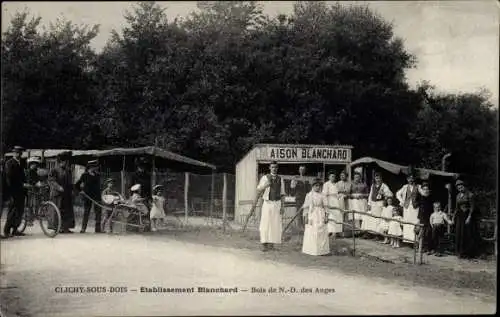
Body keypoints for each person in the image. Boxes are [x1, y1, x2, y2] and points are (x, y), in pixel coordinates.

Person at [256, 161, 286, 252]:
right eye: (272, 167)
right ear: (269, 168)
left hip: (277, 203)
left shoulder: (280, 179)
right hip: (267, 203)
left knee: (275, 224)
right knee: (265, 223)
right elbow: (258, 189)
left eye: (276, 167)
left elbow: (282, 194)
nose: (274, 169)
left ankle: (271, 244)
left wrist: (282, 207)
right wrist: (265, 185)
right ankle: (264, 244)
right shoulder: (265, 177)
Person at [2, 146, 28, 238]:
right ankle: (6, 230)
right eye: (17, 152)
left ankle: (15, 229)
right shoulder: (9, 163)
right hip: (13, 191)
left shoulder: (21, 162)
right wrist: (21, 184)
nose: (19, 154)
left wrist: (25, 183)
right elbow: (9, 178)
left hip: (21, 191)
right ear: (14, 153)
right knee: (12, 211)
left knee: (20, 211)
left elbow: (23, 176)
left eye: (20, 153)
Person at [301, 178, 330, 256]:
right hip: (312, 214)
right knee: (312, 231)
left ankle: (321, 250)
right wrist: (306, 216)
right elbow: (306, 207)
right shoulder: (309, 195)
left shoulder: (323, 195)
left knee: (321, 231)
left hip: (320, 214)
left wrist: (327, 216)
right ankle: (311, 250)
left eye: (319, 186)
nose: (317, 187)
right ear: (313, 186)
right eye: (316, 186)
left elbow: (326, 207)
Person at [48, 151, 75, 233]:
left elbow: (70, 182)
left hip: (66, 194)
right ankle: (56, 228)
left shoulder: (68, 170)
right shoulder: (54, 170)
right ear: (60, 162)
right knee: (57, 211)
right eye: (63, 162)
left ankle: (66, 227)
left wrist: (73, 190)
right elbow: (51, 180)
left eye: (66, 162)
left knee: (67, 210)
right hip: (57, 194)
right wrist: (58, 187)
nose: (65, 163)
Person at [454, 179, 479, 259]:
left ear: (464, 186)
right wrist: (453, 217)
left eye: (461, 186)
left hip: (467, 215)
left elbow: (472, 207)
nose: (460, 188)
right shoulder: (457, 196)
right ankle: (460, 252)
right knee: (459, 233)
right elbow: (456, 208)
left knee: (467, 234)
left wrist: (469, 217)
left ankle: (468, 253)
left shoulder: (470, 195)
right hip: (459, 216)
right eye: (458, 187)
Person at [75, 160, 102, 233]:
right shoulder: (85, 175)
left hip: (97, 197)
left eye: (96, 167)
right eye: (95, 167)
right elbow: (77, 185)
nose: (96, 168)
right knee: (86, 212)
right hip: (87, 196)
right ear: (91, 167)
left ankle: (98, 229)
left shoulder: (98, 175)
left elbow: (99, 186)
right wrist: (81, 191)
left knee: (98, 213)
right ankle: (83, 228)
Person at [364, 172, 393, 238]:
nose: (377, 179)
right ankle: (372, 233)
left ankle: (378, 234)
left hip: (380, 204)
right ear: (374, 178)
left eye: (378, 178)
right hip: (373, 203)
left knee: (378, 219)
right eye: (376, 178)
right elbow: (370, 195)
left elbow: (390, 194)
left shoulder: (383, 185)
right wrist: (369, 204)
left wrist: (383, 193)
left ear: (381, 178)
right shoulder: (373, 185)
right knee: (372, 218)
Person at [396, 168, 421, 243]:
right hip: (407, 207)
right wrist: (402, 201)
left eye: (412, 178)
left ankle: (414, 241)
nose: (411, 180)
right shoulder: (405, 187)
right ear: (407, 179)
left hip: (415, 207)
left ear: (414, 179)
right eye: (409, 178)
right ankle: (407, 240)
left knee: (415, 222)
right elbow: (397, 194)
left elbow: (423, 193)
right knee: (407, 222)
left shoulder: (418, 186)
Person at [290, 165, 311, 230]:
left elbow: (309, 189)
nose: (302, 171)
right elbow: (292, 187)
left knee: (306, 212)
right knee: (299, 213)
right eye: (301, 169)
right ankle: (300, 227)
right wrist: (294, 183)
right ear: (299, 170)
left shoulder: (307, 178)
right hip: (299, 198)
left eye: (303, 170)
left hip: (306, 198)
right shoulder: (296, 178)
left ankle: (306, 227)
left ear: (305, 171)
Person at [322, 171, 341, 236]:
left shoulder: (336, 184)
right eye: (332, 176)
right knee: (330, 216)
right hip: (329, 200)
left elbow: (337, 193)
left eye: (334, 177)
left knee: (336, 215)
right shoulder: (326, 184)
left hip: (336, 201)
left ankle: (335, 231)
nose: (333, 178)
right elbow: (324, 194)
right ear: (329, 177)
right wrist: (326, 203)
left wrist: (338, 197)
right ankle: (329, 231)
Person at [416, 183, 433, 254]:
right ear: (422, 190)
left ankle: (428, 248)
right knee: (420, 233)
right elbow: (419, 209)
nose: (426, 191)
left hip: (429, 218)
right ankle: (421, 247)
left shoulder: (431, 198)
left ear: (429, 190)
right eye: (424, 189)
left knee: (428, 233)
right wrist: (418, 218)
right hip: (422, 218)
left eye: (427, 189)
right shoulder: (421, 198)